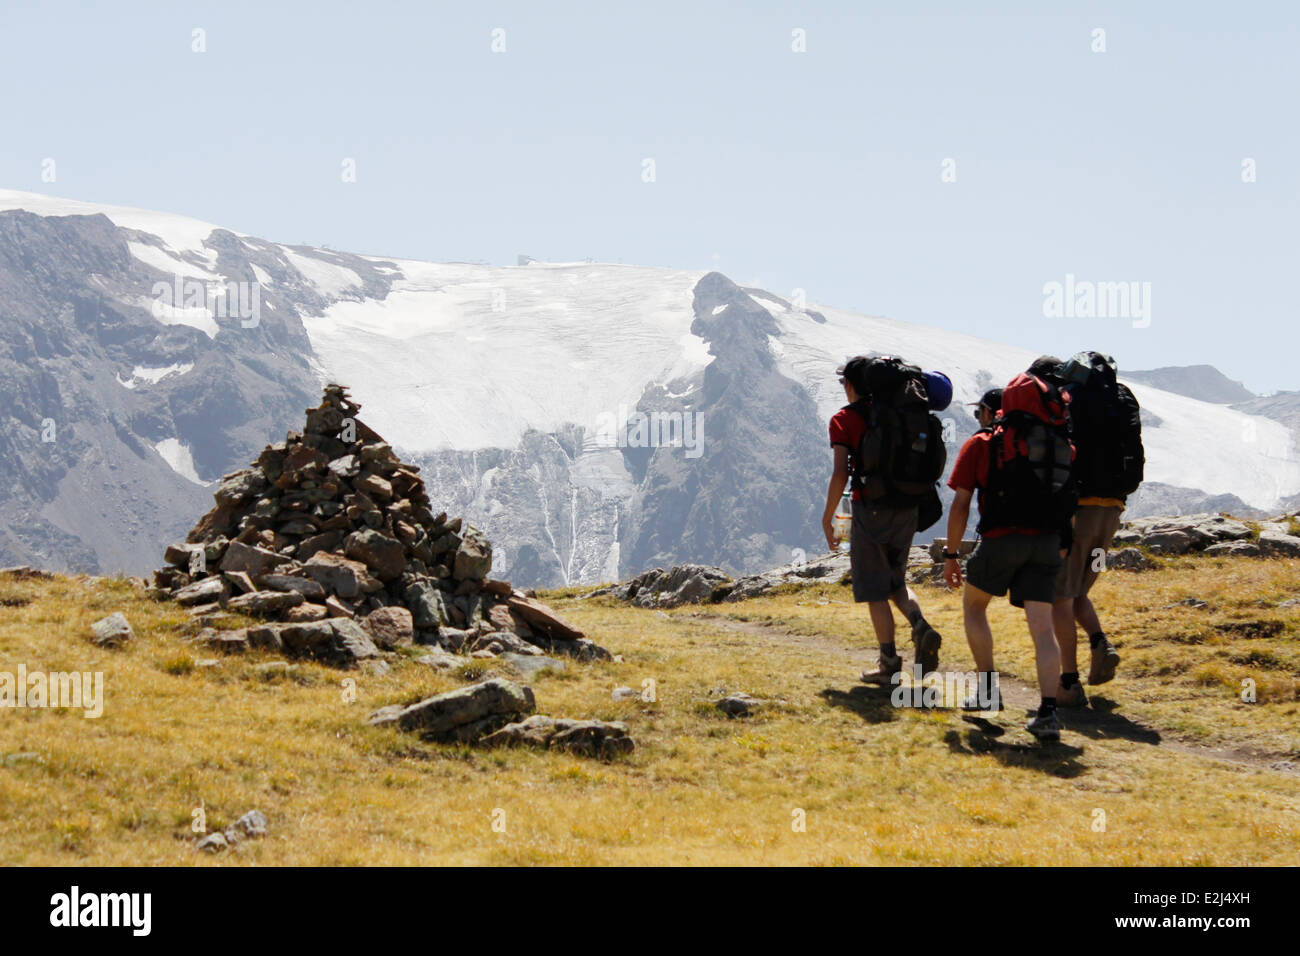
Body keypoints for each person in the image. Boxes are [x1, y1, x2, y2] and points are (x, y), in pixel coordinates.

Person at [942, 365, 1077, 742]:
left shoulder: (984, 443)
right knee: (1042, 628)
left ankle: (987, 692)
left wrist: (952, 555)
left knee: (974, 607)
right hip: (1047, 542)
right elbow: (1068, 501)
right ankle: (1048, 712)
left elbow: (961, 504)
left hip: (1002, 538)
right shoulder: (1062, 446)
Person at [822, 356, 944, 683]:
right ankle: (920, 624)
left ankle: (888, 663)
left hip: (870, 509)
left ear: (851, 385)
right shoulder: (901, 415)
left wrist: (829, 516)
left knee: (875, 589)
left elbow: (839, 474)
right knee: (897, 582)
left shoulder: (845, 420)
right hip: (908, 507)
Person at [1050, 352, 1142, 705]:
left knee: (1061, 594)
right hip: (1112, 515)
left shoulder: (1074, 399)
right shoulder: (1121, 400)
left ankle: (1068, 683)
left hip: (1081, 512)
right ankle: (1100, 642)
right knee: (1080, 589)